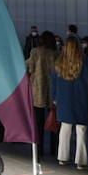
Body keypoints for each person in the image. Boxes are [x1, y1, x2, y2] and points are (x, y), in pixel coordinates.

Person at [51, 36, 88, 170]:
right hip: (83, 101)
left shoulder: (59, 63)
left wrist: (54, 98)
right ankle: (81, 161)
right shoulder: (86, 62)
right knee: (81, 130)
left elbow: (53, 83)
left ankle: (62, 157)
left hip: (64, 101)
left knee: (65, 129)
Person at [24, 36, 55, 164]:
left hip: (38, 90)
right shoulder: (55, 53)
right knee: (54, 120)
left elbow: (30, 68)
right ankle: (55, 148)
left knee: (39, 122)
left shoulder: (35, 51)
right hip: (53, 90)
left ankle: (39, 149)